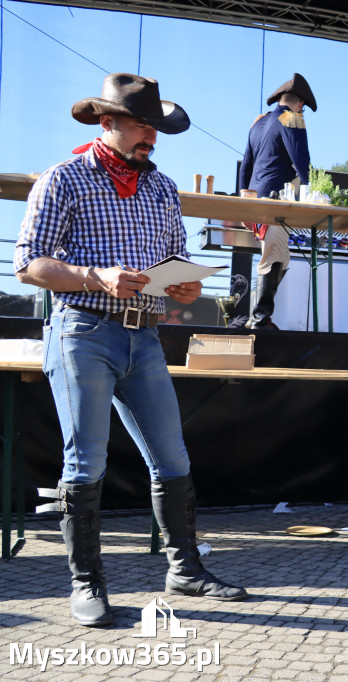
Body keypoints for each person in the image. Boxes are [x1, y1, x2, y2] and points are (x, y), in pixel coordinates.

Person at [14, 73, 249, 628]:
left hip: (144, 335)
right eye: (142, 126)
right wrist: (95, 275)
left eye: (155, 128)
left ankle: (185, 568)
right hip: (83, 332)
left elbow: (174, 261)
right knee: (85, 461)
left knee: (173, 458)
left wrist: (184, 286)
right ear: (108, 122)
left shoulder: (163, 187)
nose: (151, 137)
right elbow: (27, 263)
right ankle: (87, 583)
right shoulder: (63, 178)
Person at [238, 72, 317, 329]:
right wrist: (315, 191)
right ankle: (259, 318)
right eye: (303, 108)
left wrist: (243, 197)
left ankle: (259, 316)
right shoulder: (291, 118)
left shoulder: (258, 121)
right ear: (300, 104)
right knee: (274, 257)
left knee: (280, 257)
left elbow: (246, 163)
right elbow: (301, 161)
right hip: (277, 200)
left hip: (254, 199)